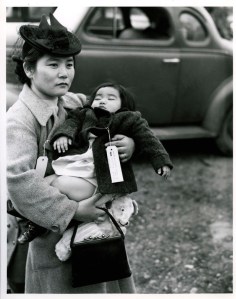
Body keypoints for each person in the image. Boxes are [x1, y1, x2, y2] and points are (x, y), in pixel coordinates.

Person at [7, 13, 136, 294]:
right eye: (53, 64)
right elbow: (18, 181)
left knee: (104, 282)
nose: (64, 72)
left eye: (69, 64)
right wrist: (75, 210)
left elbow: (119, 119)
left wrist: (129, 142)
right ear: (29, 69)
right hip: (54, 237)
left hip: (99, 231)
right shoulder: (19, 120)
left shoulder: (75, 102)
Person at [15, 82, 173, 251]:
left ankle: (47, 221)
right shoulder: (84, 113)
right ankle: (35, 222)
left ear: (123, 104)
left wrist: (160, 160)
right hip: (75, 168)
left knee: (58, 185)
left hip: (97, 179)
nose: (102, 101)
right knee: (44, 182)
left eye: (110, 98)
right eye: (98, 97)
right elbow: (71, 123)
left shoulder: (129, 119)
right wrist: (63, 135)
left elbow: (148, 139)